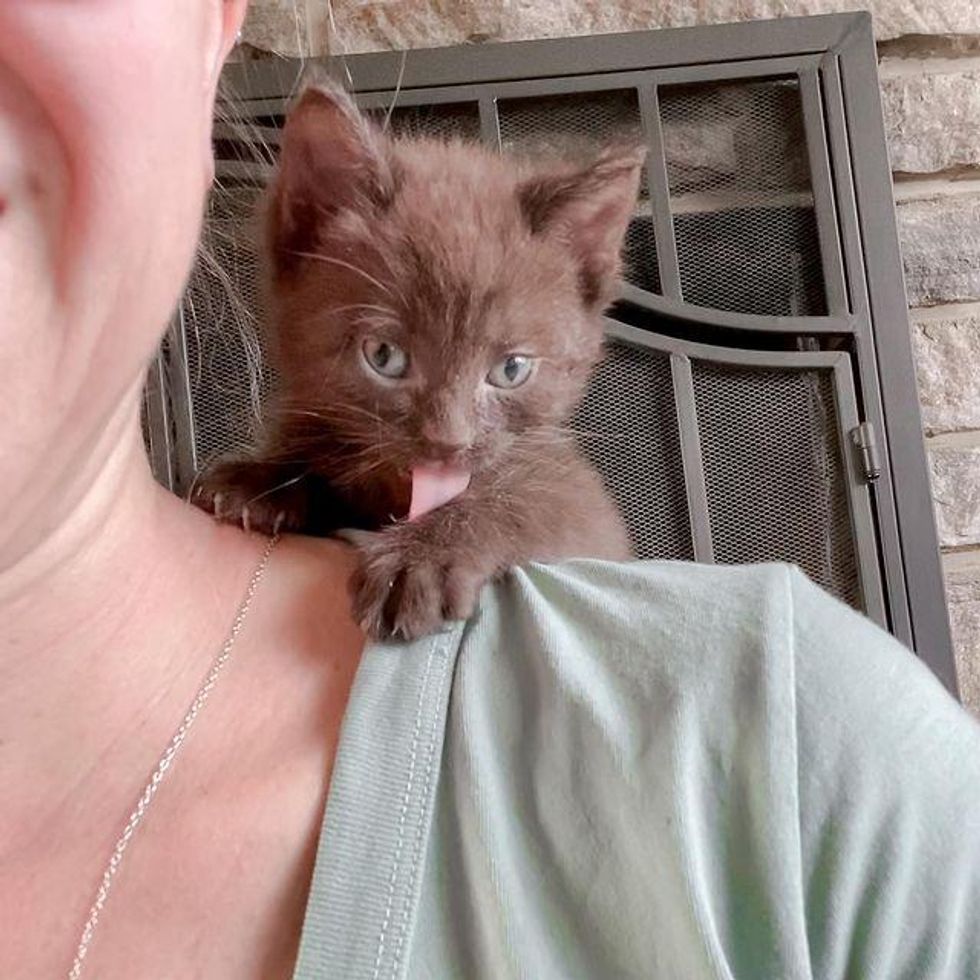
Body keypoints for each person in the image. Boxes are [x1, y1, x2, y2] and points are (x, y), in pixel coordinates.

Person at [1, 3, 978, 978]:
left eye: (507, 371)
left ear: (591, 278)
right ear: (300, 234)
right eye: (385, 355)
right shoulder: (314, 433)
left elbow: (570, 525)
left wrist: (461, 527)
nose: (447, 429)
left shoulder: (801, 722)